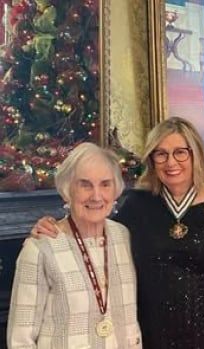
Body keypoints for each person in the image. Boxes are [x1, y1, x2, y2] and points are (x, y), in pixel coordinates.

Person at [32, 117, 204, 349]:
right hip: (151, 332)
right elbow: (95, 235)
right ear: (152, 160)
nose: (171, 162)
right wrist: (56, 227)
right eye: (160, 154)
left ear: (195, 155)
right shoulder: (137, 205)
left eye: (180, 152)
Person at [8, 143, 142, 348]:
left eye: (105, 184)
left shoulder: (124, 236)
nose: (96, 196)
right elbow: (20, 340)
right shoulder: (40, 248)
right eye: (85, 184)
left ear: (116, 189)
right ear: (66, 190)